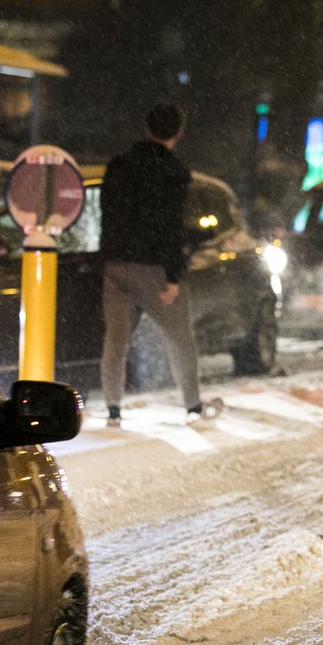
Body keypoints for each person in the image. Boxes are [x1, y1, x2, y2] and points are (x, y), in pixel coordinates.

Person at [99, 103, 221, 426]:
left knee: (115, 341)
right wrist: (173, 275)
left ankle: (113, 409)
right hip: (152, 267)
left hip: (116, 265)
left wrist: (111, 255)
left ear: (147, 128)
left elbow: (109, 215)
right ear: (178, 133)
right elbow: (168, 227)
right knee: (180, 337)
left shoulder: (118, 166)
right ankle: (193, 406)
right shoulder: (173, 173)